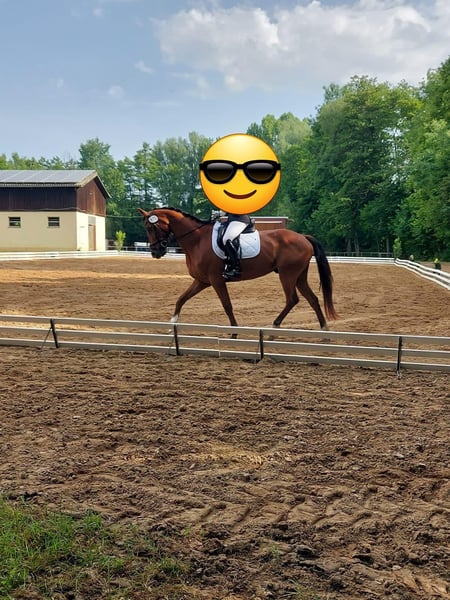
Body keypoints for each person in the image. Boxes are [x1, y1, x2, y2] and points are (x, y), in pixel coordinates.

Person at [221, 212, 252, 280]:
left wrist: (222, 213)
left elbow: (236, 208)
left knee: (226, 239)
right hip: (232, 220)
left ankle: (235, 268)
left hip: (240, 220)